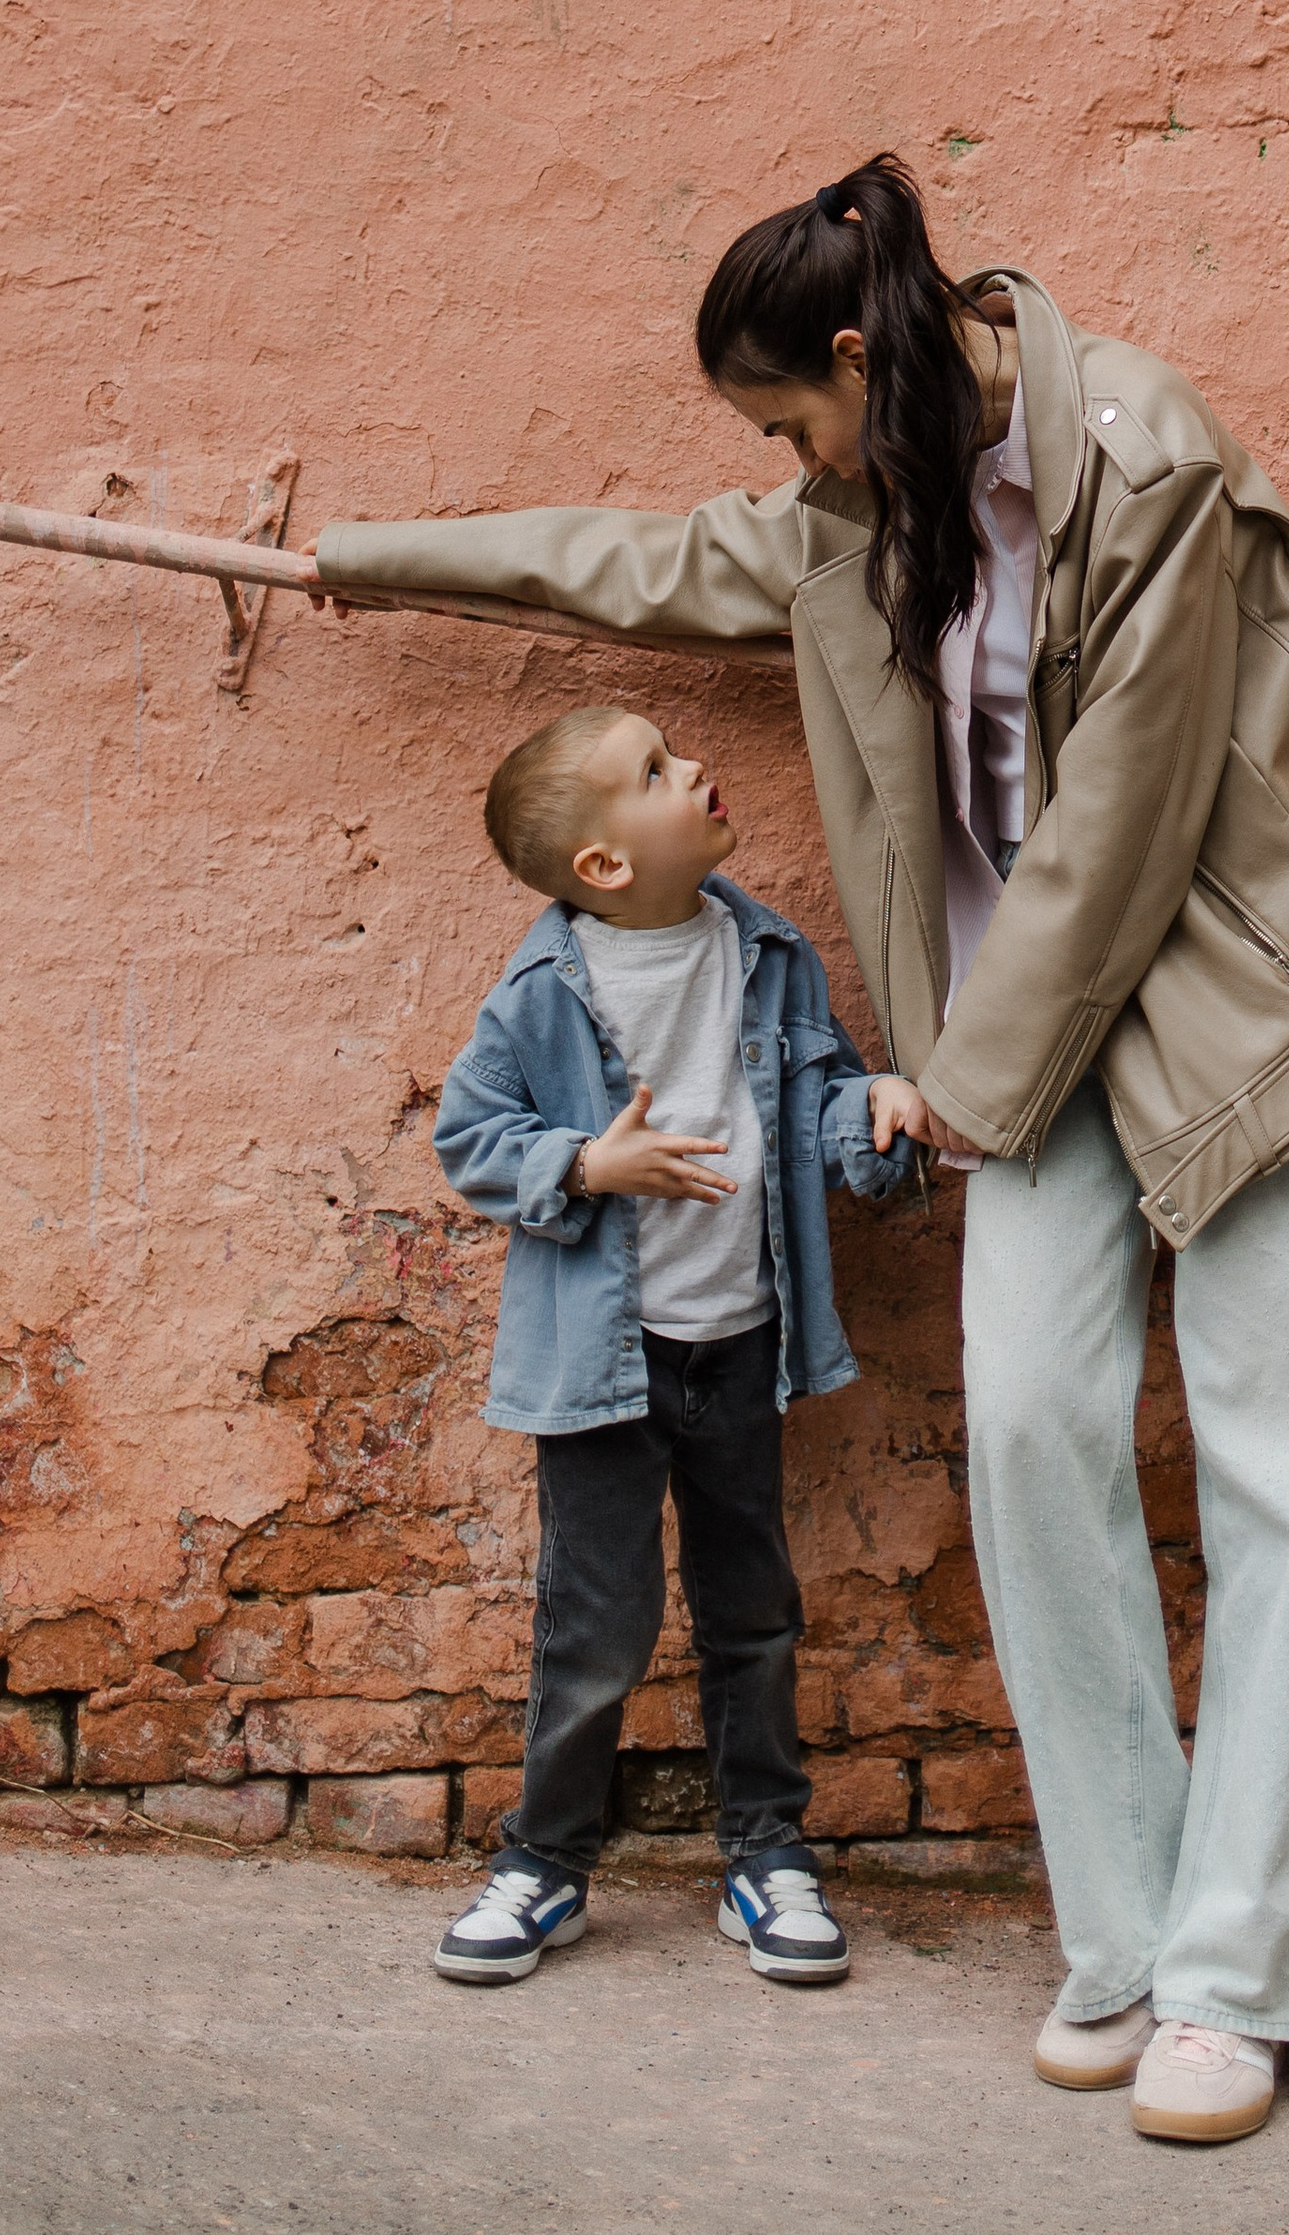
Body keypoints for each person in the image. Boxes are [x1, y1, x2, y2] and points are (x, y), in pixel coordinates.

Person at [320, 157, 1289, 2147]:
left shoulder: (1143, 457)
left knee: (1288, 1471)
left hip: (1240, 1007)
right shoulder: (857, 512)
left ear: (853, 353)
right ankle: (1136, 1941)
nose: (781, 460)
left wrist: (960, 1097)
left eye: (783, 418)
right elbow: (625, 565)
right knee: (1026, 1434)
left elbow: (1116, 830)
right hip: (1020, 1046)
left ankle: (1246, 1979)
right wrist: (357, 555)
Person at [426, 697, 922, 1990]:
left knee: (750, 1610)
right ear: (603, 865)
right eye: (655, 769)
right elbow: (468, 1139)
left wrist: (871, 1113)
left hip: (739, 1343)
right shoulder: (542, 994)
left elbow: (812, 1097)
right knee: (594, 1622)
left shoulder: (766, 954)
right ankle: (545, 1865)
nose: (692, 765)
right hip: (607, 1361)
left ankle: (766, 1857)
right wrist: (589, 1161)